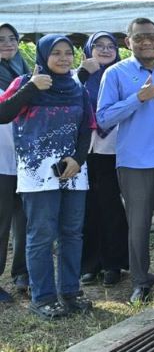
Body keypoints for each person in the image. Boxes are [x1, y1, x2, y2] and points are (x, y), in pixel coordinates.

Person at [0, 35, 93, 319]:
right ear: (43, 56)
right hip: (37, 174)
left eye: (68, 53)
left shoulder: (78, 88)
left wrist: (78, 159)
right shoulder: (26, 82)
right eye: (56, 53)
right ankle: (43, 297)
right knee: (41, 235)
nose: (64, 58)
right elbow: (3, 114)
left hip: (74, 172)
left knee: (72, 233)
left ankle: (70, 291)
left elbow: (87, 128)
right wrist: (31, 88)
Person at [97, 18, 154, 304]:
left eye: (151, 36)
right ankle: (141, 281)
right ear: (128, 42)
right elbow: (103, 118)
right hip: (135, 162)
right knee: (138, 226)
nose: (146, 42)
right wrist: (137, 98)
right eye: (139, 37)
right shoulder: (115, 74)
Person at [77, 31, 130, 287]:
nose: (106, 50)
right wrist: (82, 74)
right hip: (84, 151)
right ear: (89, 49)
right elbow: (68, 100)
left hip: (113, 148)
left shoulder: (123, 75)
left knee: (111, 208)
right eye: (99, 45)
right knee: (87, 209)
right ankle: (90, 265)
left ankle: (113, 264)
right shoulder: (77, 77)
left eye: (111, 46)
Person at [0, 23, 29, 301]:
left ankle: (22, 272)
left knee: (26, 219)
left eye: (12, 38)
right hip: (0, 161)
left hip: (25, 159)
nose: (7, 43)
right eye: (1, 39)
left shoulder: (27, 72)